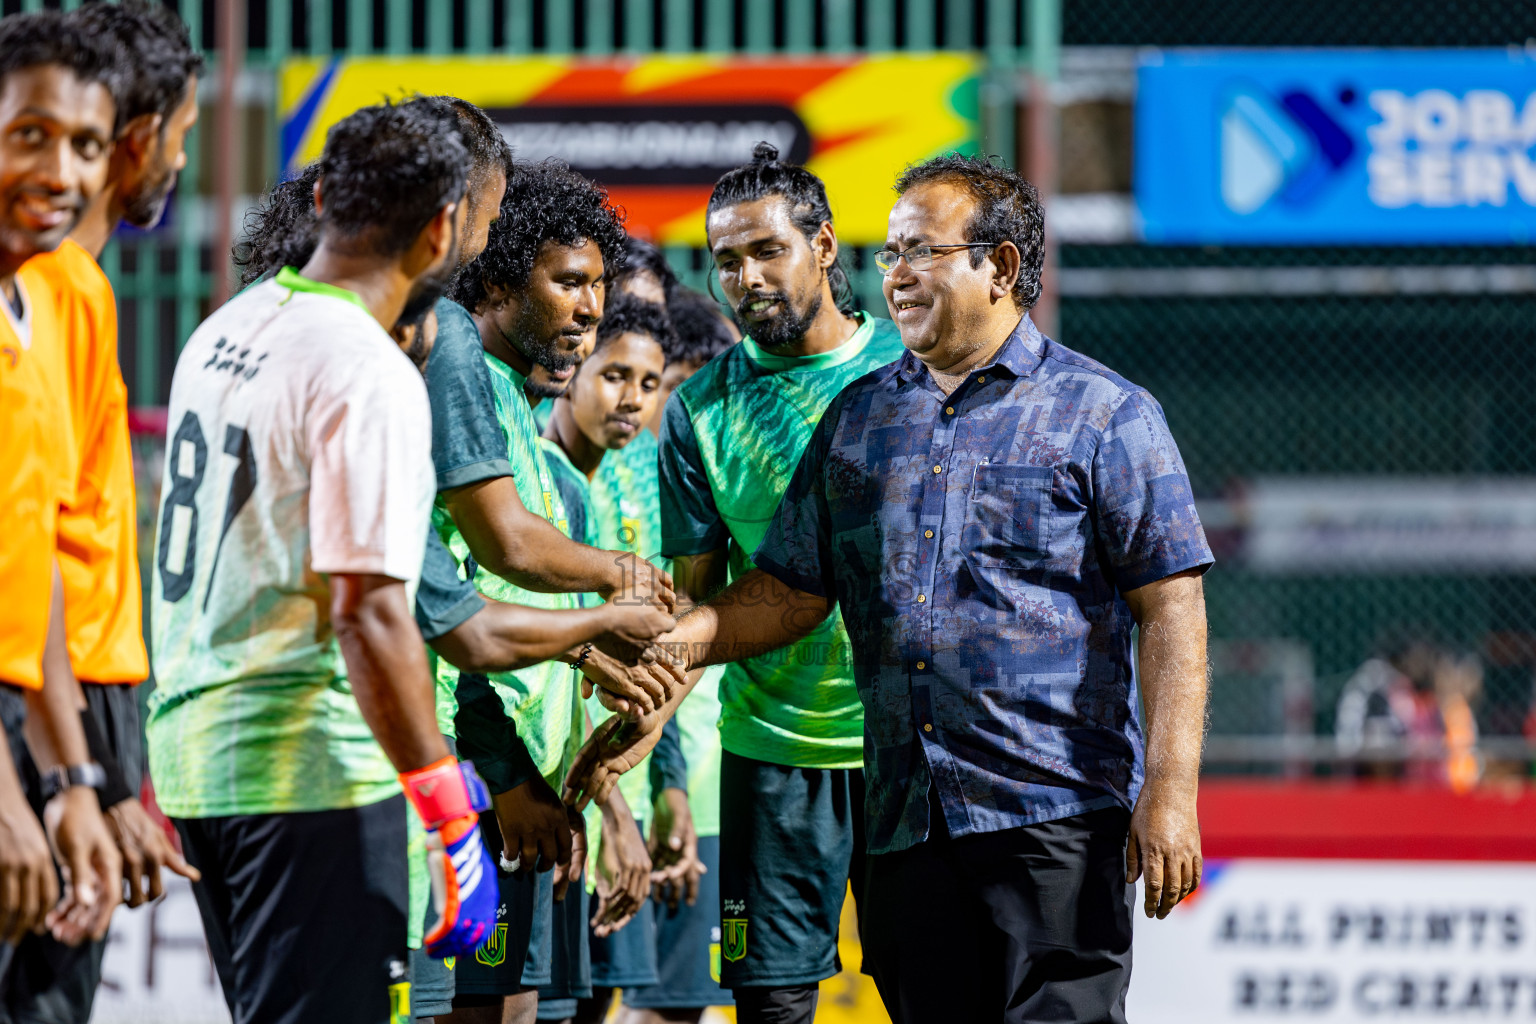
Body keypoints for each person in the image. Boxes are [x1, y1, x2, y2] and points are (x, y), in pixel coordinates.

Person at [570, 153, 1214, 1024]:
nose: (898, 273)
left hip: (1053, 808)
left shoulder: (1106, 413)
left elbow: (1170, 606)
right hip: (906, 817)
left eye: (923, 252)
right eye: (892, 254)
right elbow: (791, 592)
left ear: (1002, 267)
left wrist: (1169, 790)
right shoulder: (862, 415)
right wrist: (671, 649)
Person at [147, 100, 498, 1024]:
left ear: (321, 199)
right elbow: (369, 611)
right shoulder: (364, 366)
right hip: (307, 776)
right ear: (437, 231)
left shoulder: (226, 327)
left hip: (199, 766)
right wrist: (448, 809)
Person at [649, 142, 908, 1024]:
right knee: (772, 1005)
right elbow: (696, 607)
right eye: (727, 261)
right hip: (771, 753)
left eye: (768, 251)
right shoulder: (697, 411)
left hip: (907, 750)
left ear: (825, 247)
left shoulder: (906, 380)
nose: (746, 277)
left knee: (929, 990)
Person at [5, 4, 204, 1017]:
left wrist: (98, 775)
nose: (177, 160)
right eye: (182, 135)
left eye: (80, 141)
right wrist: (52, 775)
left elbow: (44, 543)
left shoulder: (70, 291)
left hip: (68, 703)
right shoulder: (47, 288)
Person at [441, 159, 654, 1024]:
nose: (590, 309)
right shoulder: (453, 370)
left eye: (599, 285)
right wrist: (502, 775)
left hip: (532, 791)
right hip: (473, 784)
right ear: (497, 280)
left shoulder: (523, 424)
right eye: (569, 282)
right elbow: (445, 604)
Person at [0, 7, 127, 981]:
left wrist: (71, 776)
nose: (61, 172)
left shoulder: (37, 300)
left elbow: (29, 548)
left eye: (85, 144)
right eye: (28, 134)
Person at [538, 295, 682, 1023]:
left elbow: (660, 655)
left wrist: (664, 788)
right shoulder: (534, 479)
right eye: (614, 374)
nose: (631, 398)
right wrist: (614, 814)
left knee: (595, 1004)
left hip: (610, 785)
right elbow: (547, 653)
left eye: (650, 383)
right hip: (549, 796)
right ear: (572, 371)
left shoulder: (635, 476)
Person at [620, 288, 740, 1024]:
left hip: (714, 785)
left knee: (683, 1005)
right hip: (649, 790)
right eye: (685, 390)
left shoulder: (722, 479)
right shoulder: (622, 485)